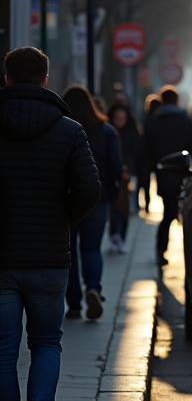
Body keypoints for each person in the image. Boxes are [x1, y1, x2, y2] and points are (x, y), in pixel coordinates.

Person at [0, 48, 100, 401]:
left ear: (7, 79)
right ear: (45, 79)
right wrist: (64, 218)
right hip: (49, 259)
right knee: (46, 343)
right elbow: (91, 190)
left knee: (3, 350)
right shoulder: (70, 130)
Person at [63, 86, 122, 320]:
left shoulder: (61, 129)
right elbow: (116, 167)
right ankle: (94, 288)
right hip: (98, 197)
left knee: (69, 252)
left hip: (66, 199)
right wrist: (114, 190)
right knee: (91, 248)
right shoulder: (106, 131)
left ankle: (74, 302)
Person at [143, 86, 192, 267]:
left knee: (168, 213)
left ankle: (161, 250)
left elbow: (146, 150)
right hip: (183, 174)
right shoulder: (184, 119)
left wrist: (150, 173)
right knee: (187, 215)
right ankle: (191, 253)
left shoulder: (153, 121)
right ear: (175, 100)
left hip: (163, 174)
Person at [108, 101, 141, 254]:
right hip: (111, 176)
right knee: (114, 208)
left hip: (128, 176)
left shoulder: (131, 134)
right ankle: (114, 235)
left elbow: (136, 154)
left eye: (122, 118)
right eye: (117, 118)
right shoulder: (108, 133)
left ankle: (122, 236)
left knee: (125, 209)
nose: (120, 120)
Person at [137, 93, 162, 212]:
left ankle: (146, 203)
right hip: (158, 154)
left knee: (145, 181)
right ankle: (157, 200)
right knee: (159, 179)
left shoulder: (146, 118)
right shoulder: (160, 119)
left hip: (146, 155)